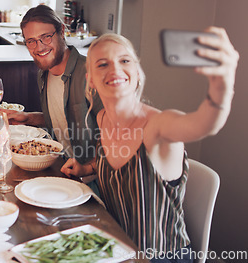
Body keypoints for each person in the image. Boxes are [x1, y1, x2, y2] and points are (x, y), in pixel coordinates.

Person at [84, 27, 237, 261]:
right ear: (90, 80)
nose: (115, 69)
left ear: (136, 71)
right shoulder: (101, 118)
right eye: (102, 64)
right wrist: (89, 167)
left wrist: (222, 85)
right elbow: (118, 170)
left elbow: (204, 123)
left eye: (124, 60)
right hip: (117, 251)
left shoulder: (158, 126)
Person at [0, 5, 103, 184]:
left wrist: (90, 168)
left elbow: (119, 136)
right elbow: (63, 120)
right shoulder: (44, 74)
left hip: (94, 182)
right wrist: (28, 118)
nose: (39, 47)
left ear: (61, 31)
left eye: (46, 37)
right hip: (60, 169)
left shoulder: (91, 74)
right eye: (31, 41)